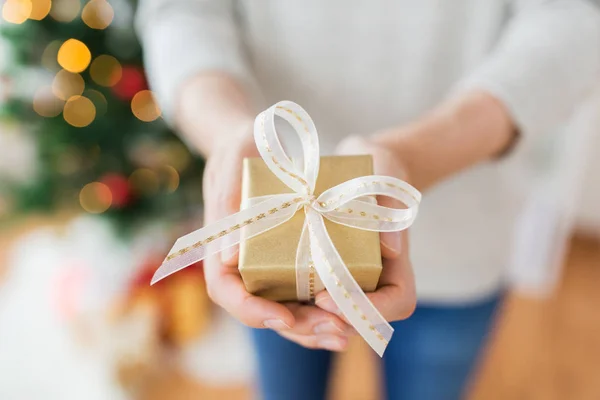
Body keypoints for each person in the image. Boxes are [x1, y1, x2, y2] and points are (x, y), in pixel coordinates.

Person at [136, 1, 600, 399]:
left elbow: (571, 23)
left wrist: (414, 155)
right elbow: (182, 10)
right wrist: (225, 134)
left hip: (461, 237)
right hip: (266, 227)